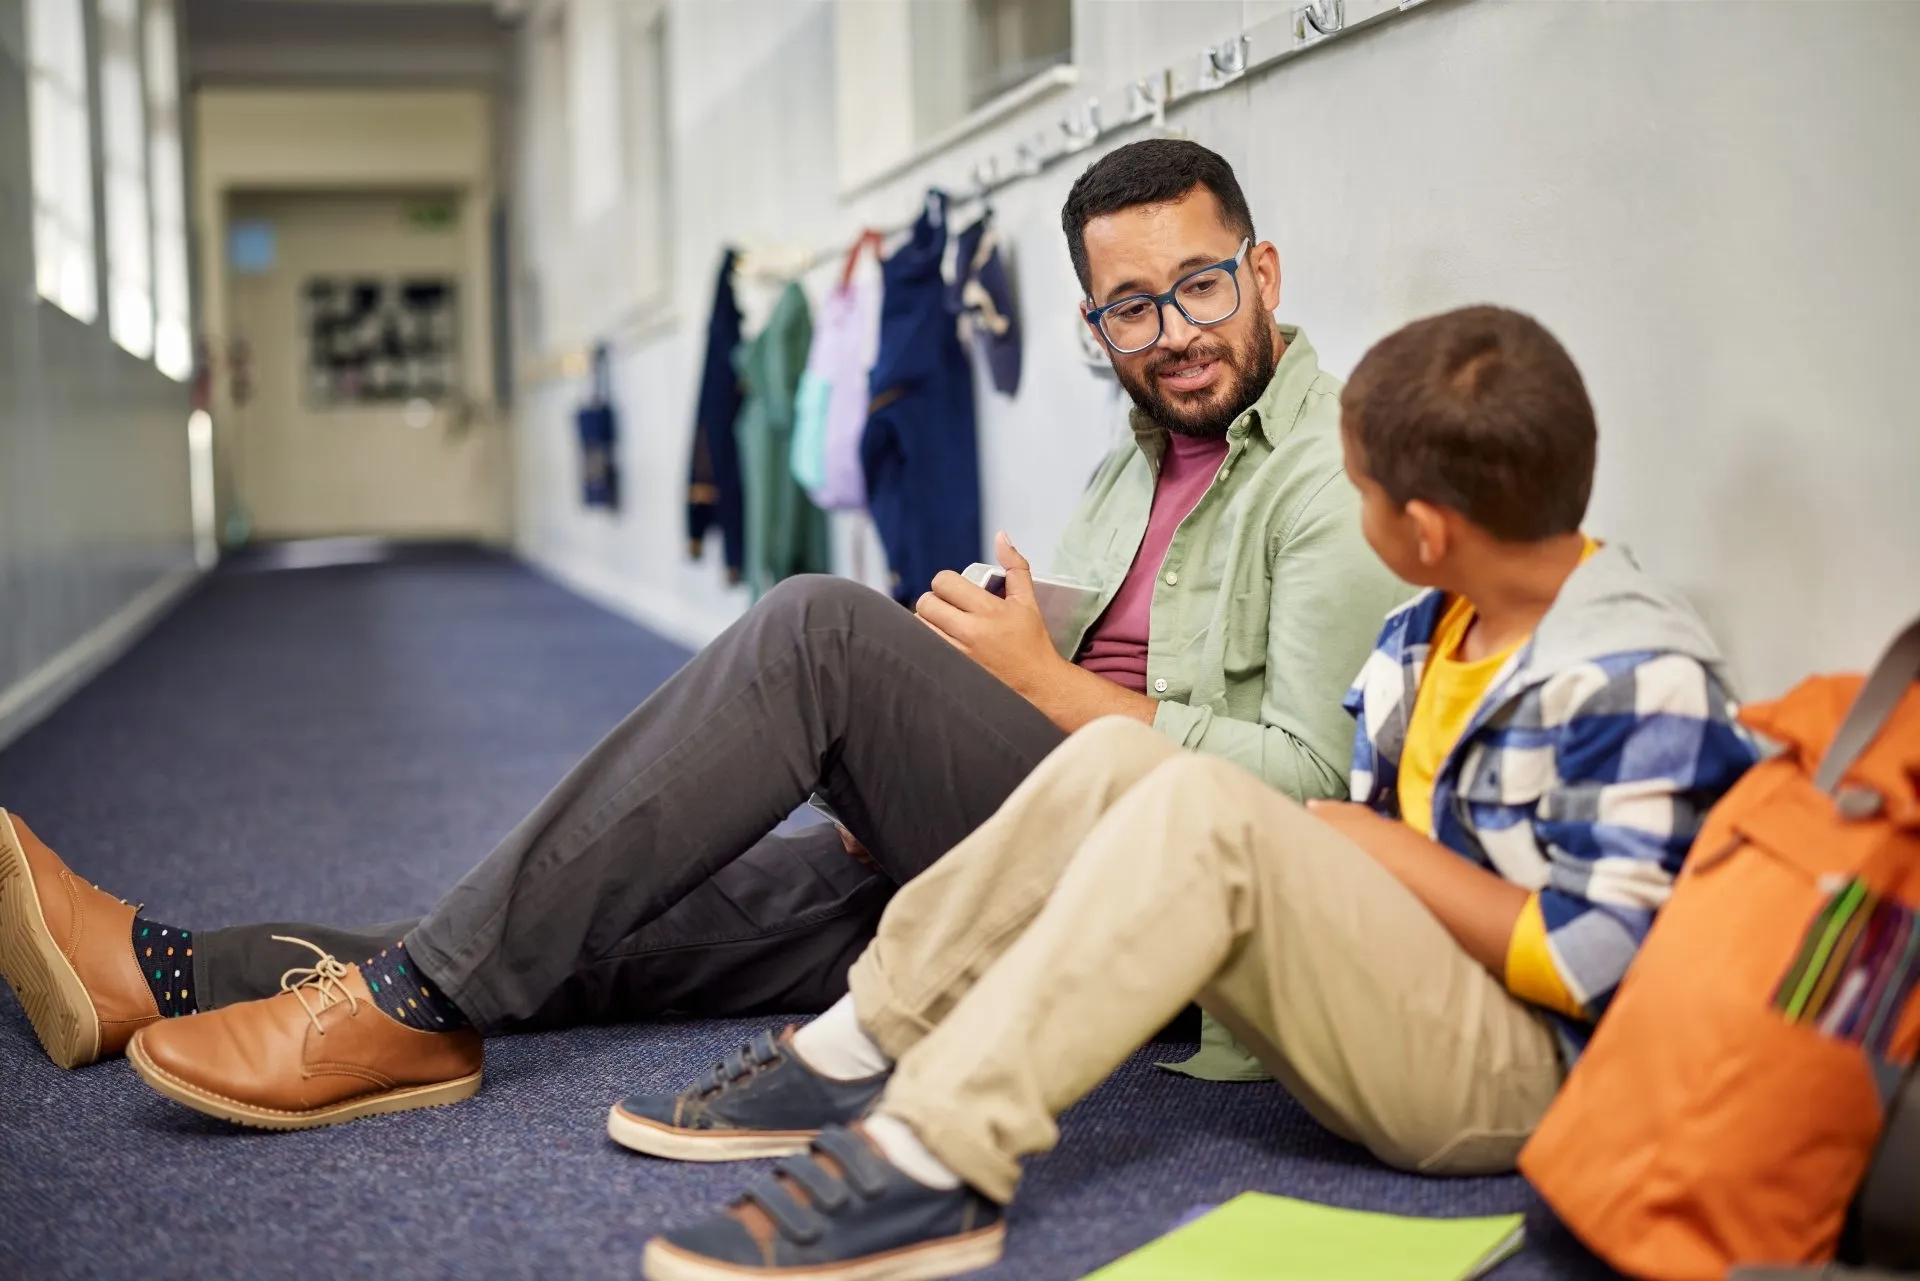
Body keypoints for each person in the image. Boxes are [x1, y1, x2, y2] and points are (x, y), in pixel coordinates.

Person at [0, 139, 1408, 1130]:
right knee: (600, 918)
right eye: (1129, 307)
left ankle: (412, 1005)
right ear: (1095, 319)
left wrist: (1026, 685)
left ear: (1265, 269)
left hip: (1171, 938)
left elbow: (1307, 805)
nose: (1171, 332)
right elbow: (1106, 660)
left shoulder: (1328, 479)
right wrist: (953, 700)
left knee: (815, 633)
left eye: (1201, 286)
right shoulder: (1143, 446)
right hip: (1015, 848)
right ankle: (168, 974)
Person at [627, 305, 1763, 1281]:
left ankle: (936, 1162)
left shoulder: (1635, 677)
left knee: (1211, 809)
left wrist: (1367, 848)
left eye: (1360, 492)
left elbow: (1592, 962)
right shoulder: (1430, 628)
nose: (1353, 511)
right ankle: (856, 1046)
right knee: (1121, 762)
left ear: (1423, 532)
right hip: (1408, 995)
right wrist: (1352, 849)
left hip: (1521, 1083)